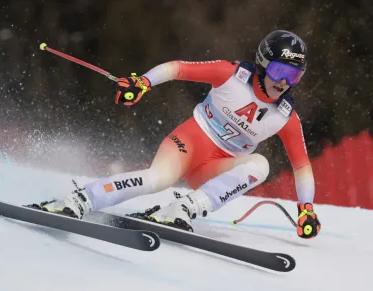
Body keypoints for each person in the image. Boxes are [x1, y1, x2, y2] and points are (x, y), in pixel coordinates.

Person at [35, 30, 321, 239]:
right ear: (262, 63)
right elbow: (178, 69)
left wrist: (306, 208)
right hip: (190, 142)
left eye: (294, 76)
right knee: (156, 179)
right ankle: (79, 200)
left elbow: (302, 165)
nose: (284, 82)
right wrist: (144, 82)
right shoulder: (231, 74)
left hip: (214, 168)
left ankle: (184, 208)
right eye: (280, 70)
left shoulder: (286, 117)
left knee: (260, 165)